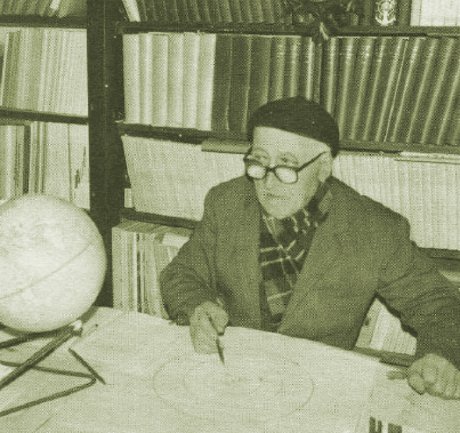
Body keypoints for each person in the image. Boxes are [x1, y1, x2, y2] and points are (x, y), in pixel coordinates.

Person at [160, 96, 460, 399]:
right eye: (259, 161)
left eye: (287, 166)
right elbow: (182, 273)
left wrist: (440, 354)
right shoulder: (226, 203)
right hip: (235, 377)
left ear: (323, 166)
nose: (268, 183)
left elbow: (438, 303)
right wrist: (198, 306)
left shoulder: (375, 229)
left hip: (320, 389)